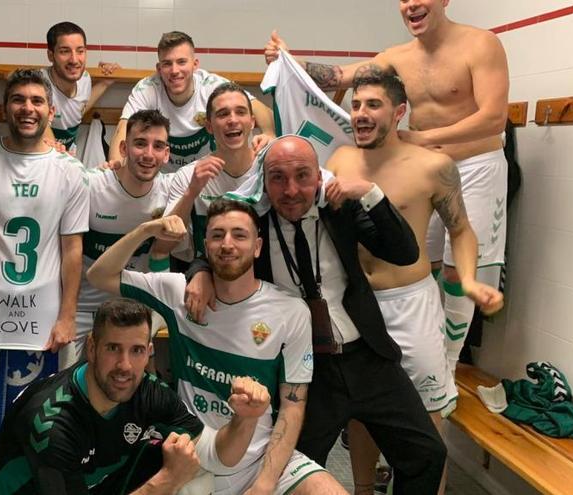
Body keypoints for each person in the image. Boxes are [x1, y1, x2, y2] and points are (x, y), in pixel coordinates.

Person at [187, 135, 447, 493]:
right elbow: (219, 244)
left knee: (427, 454)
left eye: (302, 176)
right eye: (277, 178)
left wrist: (370, 192)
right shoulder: (255, 222)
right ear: (264, 182)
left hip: (367, 357)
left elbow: (403, 252)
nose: (291, 189)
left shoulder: (340, 209)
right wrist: (199, 272)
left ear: (319, 176)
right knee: (289, 471)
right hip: (305, 371)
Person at [265, 0, 510, 371]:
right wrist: (289, 62)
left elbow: (494, 118)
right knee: (416, 262)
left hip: (473, 163)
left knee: (457, 272)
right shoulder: (397, 56)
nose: (411, 4)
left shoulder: (480, 44)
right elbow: (340, 76)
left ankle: (448, 363)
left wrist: (423, 140)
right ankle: (421, 352)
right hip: (417, 167)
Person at [88, 200, 347, 494]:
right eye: (217, 235)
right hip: (191, 456)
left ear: (258, 246)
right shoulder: (177, 293)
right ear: (205, 245)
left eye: (239, 235)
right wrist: (147, 230)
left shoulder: (291, 312)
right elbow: (99, 275)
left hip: (261, 459)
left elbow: (292, 406)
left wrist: (264, 484)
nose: (227, 244)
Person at [327, 71, 503, 494]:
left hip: (410, 303)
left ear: (399, 111)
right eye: (356, 105)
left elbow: (461, 230)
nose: (361, 114)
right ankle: (364, 490)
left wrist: (469, 280)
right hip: (357, 304)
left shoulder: (433, 166)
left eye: (373, 105)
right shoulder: (339, 160)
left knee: (427, 414)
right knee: (360, 408)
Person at [0, 68, 89, 494]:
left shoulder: (70, 170)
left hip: (40, 321)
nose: (28, 108)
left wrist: (68, 317)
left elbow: (72, 250)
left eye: (37, 101)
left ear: (51, 109)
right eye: (19, 100)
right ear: (3, 108)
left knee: (32, 419)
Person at [0, 297, 272, 494]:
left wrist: (245, 420)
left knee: (191, 466)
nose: (124, 366)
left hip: (93, 485)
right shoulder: (53, 426)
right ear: (92, 347)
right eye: (113, 349)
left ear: (149, 352)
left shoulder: (148, 391)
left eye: (135, 351)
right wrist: (166, 480)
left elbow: (217, 457)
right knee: (173, 473)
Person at [68, 109, 173, 369]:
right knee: (63, 385)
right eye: (140, 144)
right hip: (82, 308)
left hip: (134, 311)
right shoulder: (91, 185)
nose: (149, 154)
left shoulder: (171, 191)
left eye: (157, 146)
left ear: (167, 154)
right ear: (124, 148)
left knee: (132, 385)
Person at [108, 31, 276, 173]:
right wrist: (117, 169)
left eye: (181, 62)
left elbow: (258, 108)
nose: (175, 71)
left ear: (195, 64)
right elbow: (123, 129)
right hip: (166, 179)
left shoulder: (211, 85)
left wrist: (269, 133)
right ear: (159, 69)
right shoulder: (148, 88)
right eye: (167, 64)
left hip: (209, 174)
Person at [151, 82, 260, 264]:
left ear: (252, 122)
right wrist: (192, 192)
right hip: (206, 273)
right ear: (209, 126)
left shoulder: (270, 167)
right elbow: (163, 246)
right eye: (223, 114)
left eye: (240, 112)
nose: (232, 120)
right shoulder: (189, 175)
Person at [41, 21, 120, 152]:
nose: (74, 60)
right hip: (43, 162)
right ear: (51, 55)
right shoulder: (38, 85)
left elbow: (77, 109)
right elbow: (42, 126)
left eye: (80, 51)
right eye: (64, 51)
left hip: (67, 159)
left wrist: (105, 82)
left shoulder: (84, 79)